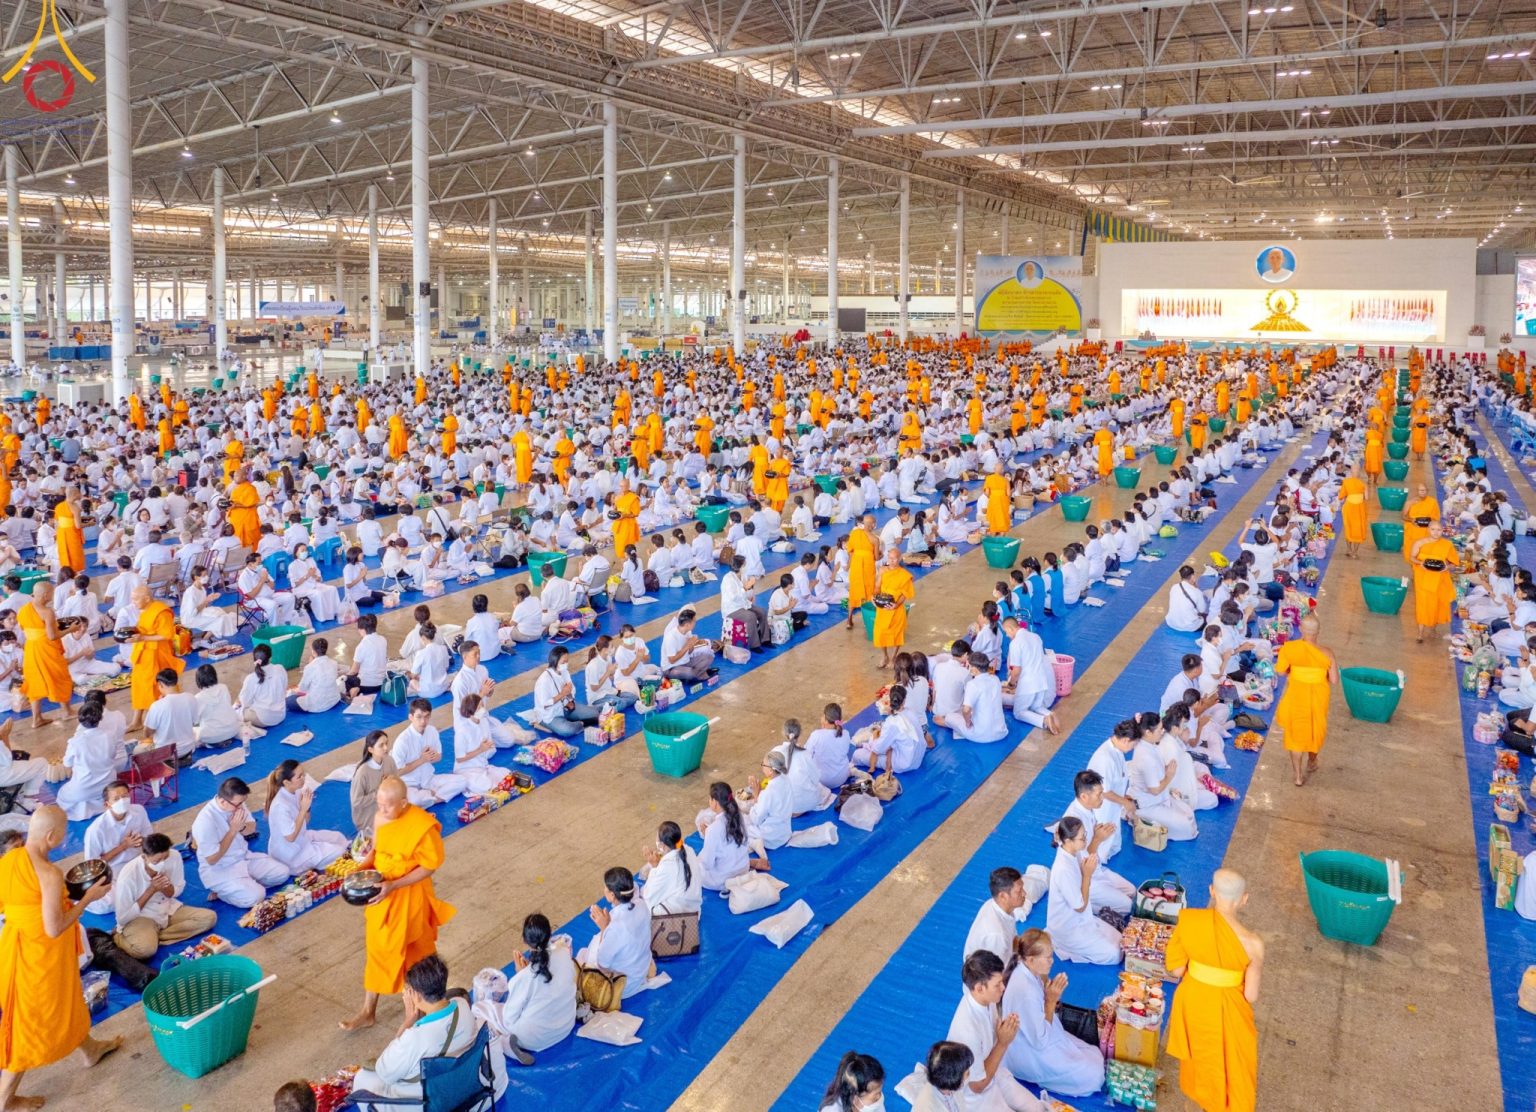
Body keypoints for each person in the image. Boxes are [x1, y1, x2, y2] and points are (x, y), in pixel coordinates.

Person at [0, 806, 123, 1112]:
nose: (65, 838)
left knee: (66, 1003)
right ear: (52, 836)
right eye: (64, 832)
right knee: (29, 1024)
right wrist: (86, 901)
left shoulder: (11, 858)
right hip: (39, 958)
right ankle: (5, 1100)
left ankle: (90, 1049)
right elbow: (54, 928)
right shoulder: (49, 873)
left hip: (18, 946)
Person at [340, 778, 457, 1031]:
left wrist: (394, 885)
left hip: (409, 895)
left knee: (419, 956)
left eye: (388, 806)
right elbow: (377, 851)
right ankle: (368, 1011)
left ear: (404, 802)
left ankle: (418, 1010)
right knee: (378, 951)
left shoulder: (421, 826)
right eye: (379, 804)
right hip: (382, 896)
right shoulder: (381, 818)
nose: (382, 810)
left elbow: (429, 866)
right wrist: (360, 871)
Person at [1164, 869, 1263, 1112]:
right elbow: (1250, 994)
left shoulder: (1189, 921)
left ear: (1211, 891)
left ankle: (1200, 1099)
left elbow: (1176, 970)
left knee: (1199, 1059)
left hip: (1194, 1001)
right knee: (1230, 1064)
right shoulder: (1253, 943)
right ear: (1244, 899)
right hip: (1228, 1007)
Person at [350, 955, 478, 1110]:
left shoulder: (415, 1037)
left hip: (426, 1103)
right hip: (460, 1086)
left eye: (408, 990)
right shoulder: (462, 1005)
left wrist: (407, 1023)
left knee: (363, 1078)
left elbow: (385, 1072)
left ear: (416, 995)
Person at [1001, 929, 1105, 1097]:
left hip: (1043, 1033)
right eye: (1048, 958)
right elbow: (1039, 1042)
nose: (1052, 961)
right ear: (1031, 959)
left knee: (1094, 1054)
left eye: (1051, 955)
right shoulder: (1025, 991)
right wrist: (1051, 1001)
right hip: (1028, 1052)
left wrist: (1049, 993)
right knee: (1094, 1076)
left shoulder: (1029, 970)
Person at [946, 949, 1042, 1112]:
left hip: (995, 1074)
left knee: (1037, 1108)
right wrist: (1003, 1043)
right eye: (997, 985)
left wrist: (1004, 1030)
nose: (1003, 988)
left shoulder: (987, 999)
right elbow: (977, 1086)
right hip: (975, 1099)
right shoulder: (967, 1030)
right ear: (979, 988)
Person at [110, 832, 218, 960]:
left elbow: (177, 890)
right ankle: (122, 937)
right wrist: (151, 890)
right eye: (157, 861)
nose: (162, 863)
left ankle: (154, 937)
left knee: (208, 918)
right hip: (140, 917)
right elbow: (123, 918)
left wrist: (166, 886)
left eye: (165, 858)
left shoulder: (174, 856)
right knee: (145, 951)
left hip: (167, 908)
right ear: (144, 857)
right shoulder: (128, 876)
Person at [486, 913, 576, 1062]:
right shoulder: (564, 953)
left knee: (485, 1009)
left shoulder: (525, 976)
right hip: (566, 1024)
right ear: (550, 933)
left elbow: (509, 1018)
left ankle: (505, 1045)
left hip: (535, 1039)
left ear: (525, 941)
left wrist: (520, 974)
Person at [192, 777, 290, 907]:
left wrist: (241, 827)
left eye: (243, 802)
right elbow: (212, 859)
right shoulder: (205, 822)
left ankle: (244, 885)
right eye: (238, 804)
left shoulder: (236, 804)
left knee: (282, 873)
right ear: (222, 801)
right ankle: (223, 893)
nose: (241, 806)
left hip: (243, 857)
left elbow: (251, 828)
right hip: (221, 868)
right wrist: (232, 831)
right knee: (257, 896)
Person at [1045, 816, 1122, 965]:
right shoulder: (1062, 869)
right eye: (1082, 838)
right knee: (1115, 954)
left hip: (1083, 919)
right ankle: (1066, 946)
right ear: (1067, 840)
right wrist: (1087, 875)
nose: (1085, 840)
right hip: (1069, 929)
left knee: (1122, 942)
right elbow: (1080, 907)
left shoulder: (1075, 852)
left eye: (1085, 835)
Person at [1273, 613, 1338, 787]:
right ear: (1318, 632)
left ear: (1301, 629)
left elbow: (1280, 671)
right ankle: (1312, 762)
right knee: (1314, 730)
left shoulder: (1289, 648)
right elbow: (1334, 680)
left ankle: (1297, 776)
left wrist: (1293, 671)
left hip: (1296, 695)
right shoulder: (1327, 653)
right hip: (1318, 697)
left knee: (1296, 736)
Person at [575, 866, 653, 999]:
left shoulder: (615, 927)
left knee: (583, 955)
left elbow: (602, 965)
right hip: (641, 969)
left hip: (625, 986)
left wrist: (604, 928)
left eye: (606, 888)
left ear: (612, 895)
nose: (603, 890)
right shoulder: (641, 904)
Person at [263, 759, 351, 873]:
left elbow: (306, 821)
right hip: (290, 855)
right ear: (286, 782)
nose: (303, 778)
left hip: (302, 838)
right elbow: (290, 837)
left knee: (338, 837)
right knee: (339, 851)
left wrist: (307, 807)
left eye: (303, 774)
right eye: (299, 777)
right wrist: (303, 809)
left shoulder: (297, 791)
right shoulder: (280, 806)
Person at [80, 781, 153, 914]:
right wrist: (123, 846)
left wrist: (140, 841)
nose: (122, 801)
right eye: (116, 799)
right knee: (108, 905)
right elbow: (93, 865)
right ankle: (83, 897)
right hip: (113, 871)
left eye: (125, 796)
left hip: (137, 863)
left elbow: (149, 839)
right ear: (107, 805)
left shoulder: (139, 811)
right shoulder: (96, 830)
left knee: (165, 877)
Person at [54, 701, 126, 821]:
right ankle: (100, 803)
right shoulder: (109, 736)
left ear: (79, 720)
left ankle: (86, 807)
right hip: (109, 783)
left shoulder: (76, 742)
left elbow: (67, 763)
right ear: (100, 718)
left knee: (62, 795)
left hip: (83, 787)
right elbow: (113, 755)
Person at [128, 583, 183, 734]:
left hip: (156, 655)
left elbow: (166, 635)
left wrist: (143, 637)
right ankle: (136, 721)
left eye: (136, 599)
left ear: (146, 598)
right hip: (143, 653)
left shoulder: (161, 612)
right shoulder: (146, 610)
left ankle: (155, 721)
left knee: (154, 688)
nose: (133, 603)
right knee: (139, 686)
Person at [392, 699, 469, 805]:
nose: (423, 721)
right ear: (411, 717)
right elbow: (397, 772)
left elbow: (439, 757)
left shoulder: (432, 731)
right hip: (409, 784)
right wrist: (422, 760)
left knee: (462, 781)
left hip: (428, 779)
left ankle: (432, 799)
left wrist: (431, 756)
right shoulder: (402, 740)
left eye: (426, 716)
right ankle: (430, 797)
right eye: (419, 717)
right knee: (414, 800)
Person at [17, 582, 72, 730]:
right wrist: (71, 629)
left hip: (31, 649)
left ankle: (37, 719)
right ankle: (66, 710)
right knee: (60, 676)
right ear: (46, 595)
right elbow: (52, 635)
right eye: (51, 594)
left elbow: (25, 629)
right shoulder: (47, 612)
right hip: (46, 649)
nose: (52, 597)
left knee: (35, 682)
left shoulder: (23, 610)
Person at [962, 866, 1035, 964]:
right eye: (1019, 891)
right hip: (988, 974)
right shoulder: (997, 935)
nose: (1024, 893)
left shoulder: (995, 904)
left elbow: (1013, 939)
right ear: (1003, 896)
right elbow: (999, 974)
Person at [697, 781, 760, 889]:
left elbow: (707, 863)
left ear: (715, 802)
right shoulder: (739, 817)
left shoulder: (713, 829)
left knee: (695, 866)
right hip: (743, 870)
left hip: (722, 880)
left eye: (710, 799)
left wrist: (708, 835)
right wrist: (709, 833)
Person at [531, 647, 600, 738]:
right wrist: (563, 694)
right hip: (551, 715)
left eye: (567, 661)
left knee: (595, 713)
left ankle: (574, 721)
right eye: (563, 662)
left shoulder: (564, 672)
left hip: (567, 707)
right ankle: (580, 723)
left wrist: (569, 694)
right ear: (555, 661)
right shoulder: (544, 680)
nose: (566, 664)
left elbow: (572, 692)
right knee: (567, 730)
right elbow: (545, 704)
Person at [940, 652, 1008, 743]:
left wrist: (967, 723)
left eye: (969, 665)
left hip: (980, 736)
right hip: (1001, 732)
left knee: (948, 716)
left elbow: (966, 710)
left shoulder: (972, 684)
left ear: (974, 669)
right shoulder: (995, 679)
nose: (967, 666)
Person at [639, 820, 703, 916]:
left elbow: (649, 896)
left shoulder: (667, 866)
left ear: (662, 846)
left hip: (680, 919)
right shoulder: (689, 849)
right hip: (694, 908)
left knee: (644, 900)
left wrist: (654, 867)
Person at [1410, 521, 1459, 643]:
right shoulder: (1419, 543)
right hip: (1423, 578)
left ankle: (1433, 630)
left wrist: (1447, 567)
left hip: (1440, 579)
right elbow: (1412, 557)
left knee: (1437, 604)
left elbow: (1454, 563)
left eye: (1439, 530)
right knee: (1423, 605)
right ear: (1428, 530)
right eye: (1433, 529)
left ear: (1442, 531)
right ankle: (1420, 633)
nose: (1436, 532)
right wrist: (1420, 563)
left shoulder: (1447, 545)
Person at [872, 547, 915, 670]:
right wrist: (874, 598)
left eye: (894, 558)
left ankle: (893, 657)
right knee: (880, 633)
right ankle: (884, 656)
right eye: (890, 558)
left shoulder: (904, 574)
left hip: (896, 608)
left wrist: (897, 604)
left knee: (897, 634)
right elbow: (877, 586)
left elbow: (905, 593)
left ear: (899, 559)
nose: (892, 561)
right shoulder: (882, 570)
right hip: (883, 607)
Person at [351, 731, 398, 834]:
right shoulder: (362, 773)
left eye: (386, 743)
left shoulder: (389, 760)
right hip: (368, 817)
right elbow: (356, 802)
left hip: (387, 807)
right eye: (381, 745)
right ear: (371, 749)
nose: (386, 748)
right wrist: (380, 791)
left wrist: (392, 782)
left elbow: (397, 781)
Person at [819, 1051, 886, 1112]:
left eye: (880, 1092)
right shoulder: (831, 1110)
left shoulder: (874, 1102)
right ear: (855, 1099)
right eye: (875, 1097)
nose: (880, 1098)